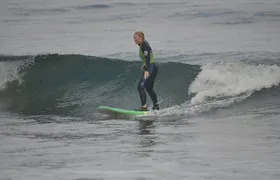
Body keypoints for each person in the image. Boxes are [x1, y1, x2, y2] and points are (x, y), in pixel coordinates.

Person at [134, 31, 159, 111]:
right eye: (134, 38)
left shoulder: (144, 45)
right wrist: (144, 66)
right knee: (148, 88)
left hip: (150, 67)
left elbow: (148, 58)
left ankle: (144, 108)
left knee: (140, 87)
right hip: (152, 67)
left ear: (141, 37)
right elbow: (147, 57)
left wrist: (147, 70)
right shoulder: (142, 44)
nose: (135, 40)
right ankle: (156, 106)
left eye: (137, 38)